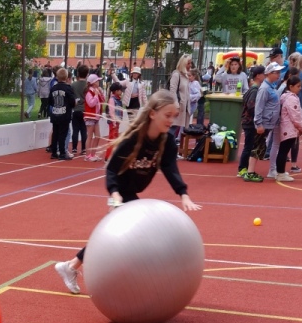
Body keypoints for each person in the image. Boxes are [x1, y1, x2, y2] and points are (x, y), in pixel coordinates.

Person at [54, 89, 202, 294]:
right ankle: (86, 269)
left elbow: (170, 169)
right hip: (119, 193)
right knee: (128, 235)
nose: (171, 120)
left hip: (131, 194)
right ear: (153, 113)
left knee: (117, 236)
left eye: (174, 116)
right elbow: (111, 170)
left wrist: (183, 194)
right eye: (167, 115)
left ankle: (71, 266)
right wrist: (115, 195)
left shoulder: (166, 142)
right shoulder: (133, 138)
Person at [247, 61, 283, 182]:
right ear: (269, 73)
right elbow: (259, 107)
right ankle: (250, 172)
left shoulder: (271, 87)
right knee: (257, 147)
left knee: (260, 147)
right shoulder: (264, 89)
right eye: (276, 72)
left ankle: (251, 171)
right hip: (264, 123)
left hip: (268, 122)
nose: (278, 75)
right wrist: (259, 124)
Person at [236, 64, 266, 181]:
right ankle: (242, 168)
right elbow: (251, 106)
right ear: (258, 76)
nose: (265, 75)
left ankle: (245, 167)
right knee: (248, 146)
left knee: (250, 145)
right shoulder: (254, 90)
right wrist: (258, 116)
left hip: (248, 121)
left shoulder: (254, 89)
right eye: (263, 74)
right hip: (249, 122)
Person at [273, 72, 302, 182]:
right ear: (291, 86)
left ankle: (280, 172)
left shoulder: (285, 96)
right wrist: (300, 126)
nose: (300, 88)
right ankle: (280, 173)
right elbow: (295, 115)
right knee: (284, 151)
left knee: (283, 150)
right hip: (289, 127)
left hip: (287, 126)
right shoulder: (291, 99)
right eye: (298, 86)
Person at [47, 67, 75, 160]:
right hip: (65, 114)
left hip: (55, 113)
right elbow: (72, 102)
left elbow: (50, 101)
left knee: (55, 133)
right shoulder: (68, 88)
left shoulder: (53, 88)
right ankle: (62, 153)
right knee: (63, 134)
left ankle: (54, 152)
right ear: (66, 77)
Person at [167, 54, 193, 141]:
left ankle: (170, 145)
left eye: (190, 63)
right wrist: (176, 105)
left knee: (175, 128)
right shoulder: (176, 74)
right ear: (183, 64)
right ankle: (167, 145)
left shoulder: (185, 75)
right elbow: (172, 91)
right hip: (177, 107)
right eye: (188, 63)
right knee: (172, 128)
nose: (190, 65)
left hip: (183, 107)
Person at [83, 73, 105, 160]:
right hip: (90, 116)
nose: (98, 82)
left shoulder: (96, 91)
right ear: (93, 82)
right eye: (97, 81)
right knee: (90, 136)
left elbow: (103, 100)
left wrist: (100, 93)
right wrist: (96, 95)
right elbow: (91, 104)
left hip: (96, 116)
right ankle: (88, 155)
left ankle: (93, 154)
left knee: (97, 136)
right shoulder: (89, 92)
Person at [70, 64, 89, 156]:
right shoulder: (88, 85)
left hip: (76, 109)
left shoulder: (73, 85)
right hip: (85, 110)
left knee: (75, 130)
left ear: (78, 73)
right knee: (84, 130)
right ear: (87, 74)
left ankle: (74, 148)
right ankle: (84, 148)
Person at [105, 81, 124, 161]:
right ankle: (108, 156)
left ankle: (113, 155)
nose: (121, 91)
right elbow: (111, 112)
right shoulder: (112, 100)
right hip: (113, 122)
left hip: (116, 122)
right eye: (120, 90)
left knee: (115, 138)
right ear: (116, 91)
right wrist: (114, 122)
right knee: (112, 139)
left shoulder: (118, 99)